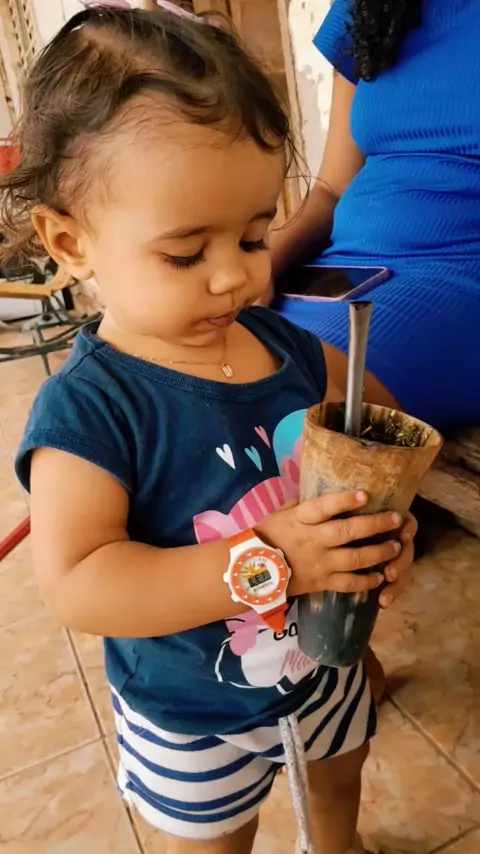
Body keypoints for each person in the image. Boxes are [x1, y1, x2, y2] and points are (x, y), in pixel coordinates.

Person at [1, 6, 416, 854]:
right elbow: (79, 583)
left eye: (255, 234)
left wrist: (378, 531)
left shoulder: (287, 346)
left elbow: (377, 432)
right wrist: (275, 561)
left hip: (317, 669)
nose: (234, 276)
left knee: (340, 782)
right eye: (186, 253)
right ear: (71, 243)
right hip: (191, 712)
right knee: (215, 840)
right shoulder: (91, 409)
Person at [270, 0, 480, 434]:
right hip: (341, 273)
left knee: (279, 392)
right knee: (175, 355)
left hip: (459, 277)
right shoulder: (373, 7)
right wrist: (261, 260)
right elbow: (331, 189)